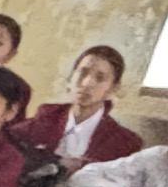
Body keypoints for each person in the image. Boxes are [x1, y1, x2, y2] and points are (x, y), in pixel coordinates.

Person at [36, 43, 143, 177]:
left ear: (113, 88)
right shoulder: (47, 117)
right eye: (83, 73)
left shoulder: (125, 143)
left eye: (100, 78)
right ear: (71, 78)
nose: (87, 83)